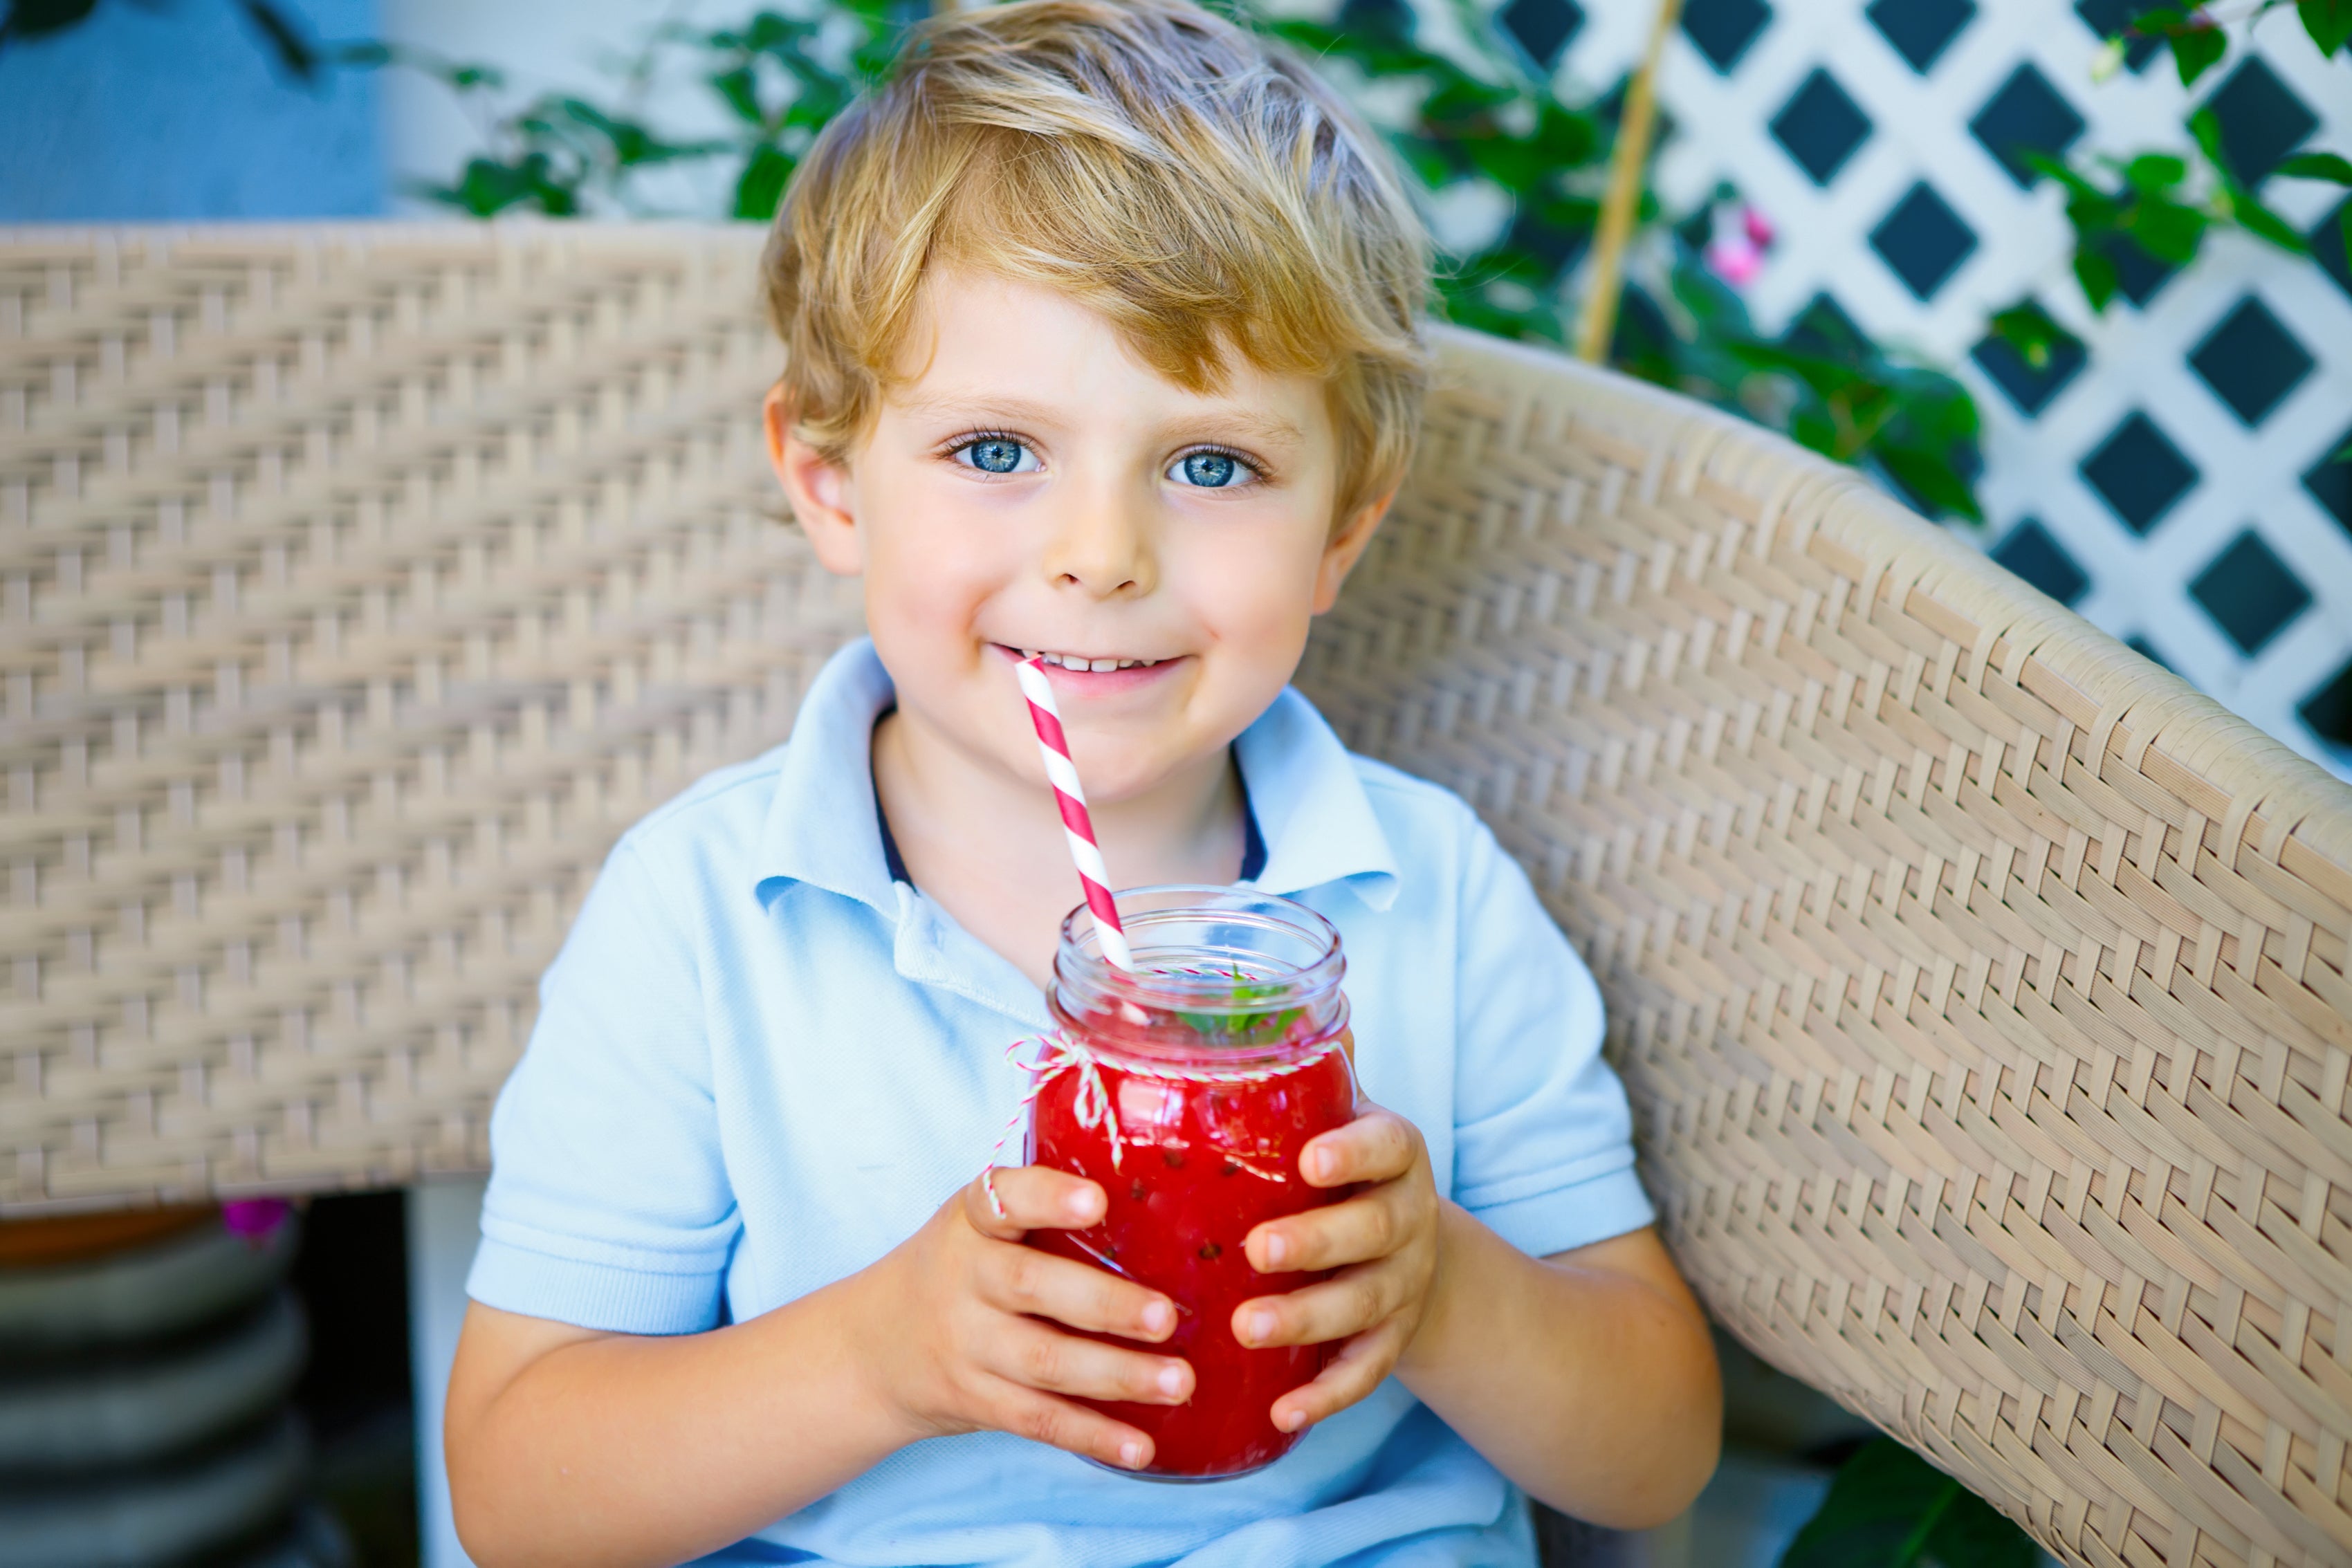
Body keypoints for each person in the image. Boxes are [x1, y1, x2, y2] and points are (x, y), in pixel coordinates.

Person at [441, 3, 1720, 1563]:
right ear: (828, 481)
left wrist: (1445, 1291)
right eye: (994, 451)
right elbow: (515, 1494)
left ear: (1340, 529)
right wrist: (876, 1360)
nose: (1099, 556)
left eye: (1208, 465)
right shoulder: (705, 919)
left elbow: (1655, 1456)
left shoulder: (1425, 891)